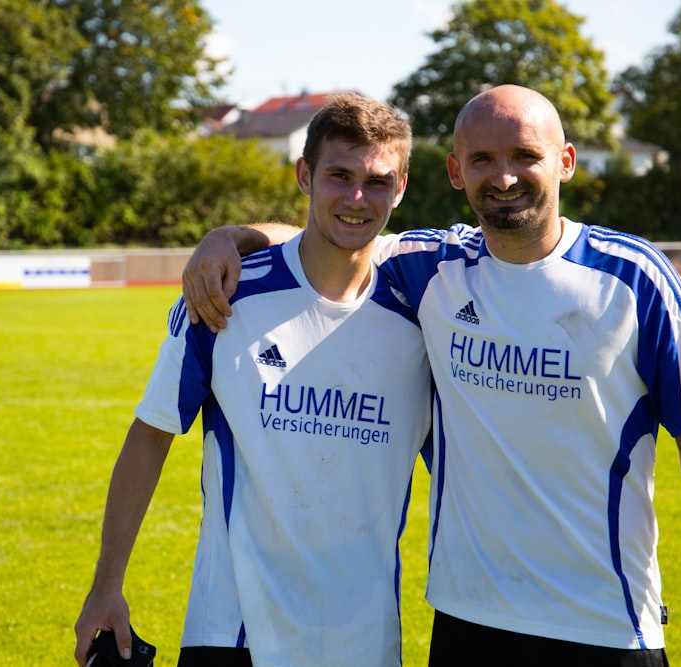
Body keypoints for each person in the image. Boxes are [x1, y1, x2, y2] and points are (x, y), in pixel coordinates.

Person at [181, 85, 681, 667]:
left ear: (566, 161)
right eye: (482, 159)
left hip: (605, 623)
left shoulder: (634, 279)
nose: (503, 177)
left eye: (525, 156)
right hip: (468, 622)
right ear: (456, 171)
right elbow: (334, 233)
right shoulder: (432, 269)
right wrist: (228, 239)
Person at [74, 93, 432, 667]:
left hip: (366, 644)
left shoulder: (424, 311)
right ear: (304, 175)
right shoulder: (225, 294)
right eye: (339, 176)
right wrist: (105, 586)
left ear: (402, 187)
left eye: (378, 181)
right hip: (231, 635)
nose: (357, 197)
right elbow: (150, 434)